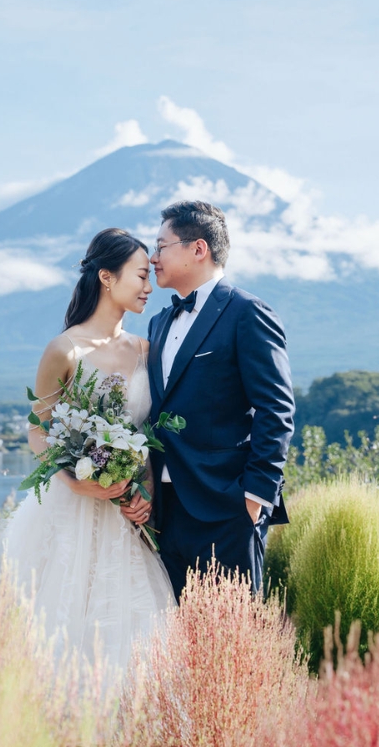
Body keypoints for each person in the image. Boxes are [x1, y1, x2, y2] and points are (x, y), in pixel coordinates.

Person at [2, 228, 174, 671]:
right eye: (140, 276)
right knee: (60, 623)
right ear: (106, 277)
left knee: (133, 631)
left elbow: (152, 434)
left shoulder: (146, 351)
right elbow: (38, 429)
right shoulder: (64, 350)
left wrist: (145, 491)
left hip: (126, 516)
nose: (148, 287)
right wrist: (72, 481)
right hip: (71, 512)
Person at [147, 200, 294, 600]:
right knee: (174, 641)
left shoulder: (247, 313)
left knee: (231, 643)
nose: (152, 257)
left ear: (198, 249)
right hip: (165, 512)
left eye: (161, 246)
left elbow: (276, 409)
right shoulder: (158, 322)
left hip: (226, 509)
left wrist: (254, 498)